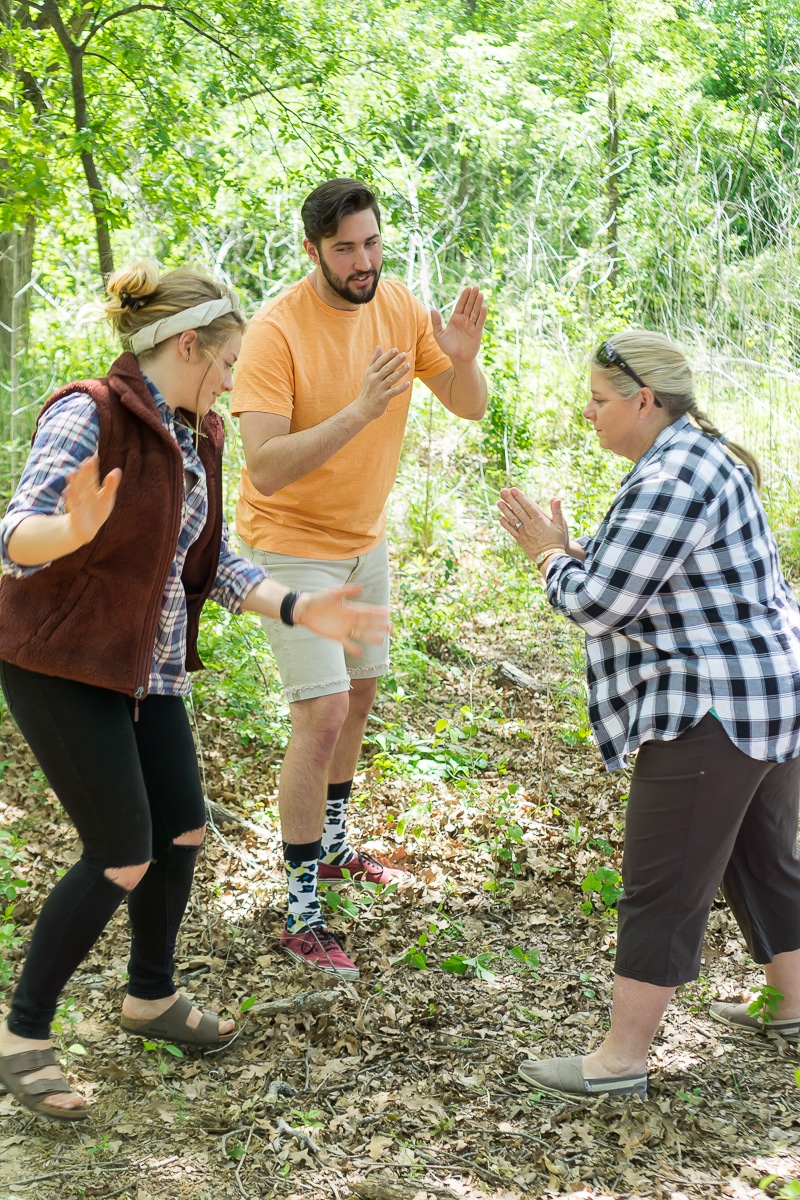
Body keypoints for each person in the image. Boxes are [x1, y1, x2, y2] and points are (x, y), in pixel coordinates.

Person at [0, 260, 389, 1123]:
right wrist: (67, 530)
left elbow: (207, 564)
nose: (229, 386)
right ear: (187, 345)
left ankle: (150, 997)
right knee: (120, 850)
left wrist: (300, 606)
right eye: (225, 366)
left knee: (181, 830)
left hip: (149, 670)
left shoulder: (195, 432)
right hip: (62, 662)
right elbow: (15, 533)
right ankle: (21, 1036)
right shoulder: (89, 412)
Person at [498, 330, 800, 1099]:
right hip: (765, 694)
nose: (588, 414)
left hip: (716, 704)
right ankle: (795, 1003)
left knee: (662, 879)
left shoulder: (673, 474)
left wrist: (546, 553)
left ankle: (619, 1059)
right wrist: (569, 547)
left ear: (643, 400)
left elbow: (600, 601)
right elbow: (633, 565)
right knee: (758, 857)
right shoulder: (686, 459)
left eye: (598, 401)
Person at [232, 178, 488, 978]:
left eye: (372, 242)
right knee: (322, 710)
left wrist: (465, 359)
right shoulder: (276, 331)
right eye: (345, 248)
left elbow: (468, 404)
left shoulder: (401, 306)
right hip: (290, 542)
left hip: (361, 539)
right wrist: (359, 411)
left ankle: (336, 847)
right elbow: (265, 469)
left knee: (362, 692)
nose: (363, 261)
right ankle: (300, 908)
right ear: (313, 251)